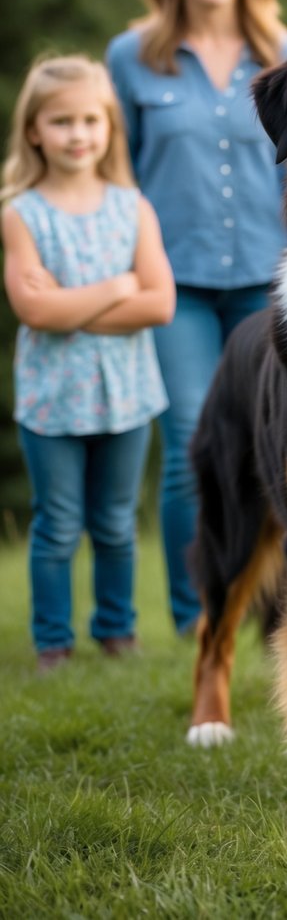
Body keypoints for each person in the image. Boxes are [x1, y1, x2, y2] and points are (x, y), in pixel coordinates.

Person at [106, 0, 287, 636]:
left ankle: (280, 610)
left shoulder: (281, 55)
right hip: (172, 285)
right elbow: (113, 172)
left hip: (269, 279)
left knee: (277, 442)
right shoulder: (130, 57)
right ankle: (199, 615)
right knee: (194, 443)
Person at [1, 55, 175, 672]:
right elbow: (35, 312)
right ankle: (52, 641)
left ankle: (117, 631)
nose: (78, 135)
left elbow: (159, 304)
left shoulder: (133, 208)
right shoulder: (20, 213)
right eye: (61, 122)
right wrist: (118, 284)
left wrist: (71, 303)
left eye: (90, 121)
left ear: (108, 128)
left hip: (127, 395)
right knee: (58, 524)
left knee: (115, 522)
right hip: (52, 400)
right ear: (33, 131)